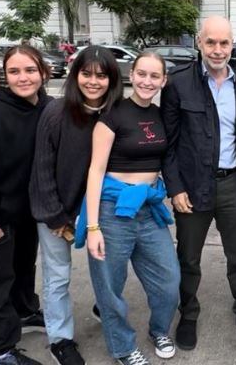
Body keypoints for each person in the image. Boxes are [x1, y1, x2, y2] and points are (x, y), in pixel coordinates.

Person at [160, 15, 236, 352]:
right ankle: (188, 313)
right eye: (211, 42)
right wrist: (175, 188)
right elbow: (169, 144)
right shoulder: (178, 83)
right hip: (191, 185)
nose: (218, 50)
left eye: (224, 43)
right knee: (188, 257)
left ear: (231, 44)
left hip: (232, 183)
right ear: (199, 42)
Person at [81, 52, 180, 365]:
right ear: (131, 74)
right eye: (142, 74)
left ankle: (159, 330)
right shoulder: (113, 115)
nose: (147, 81)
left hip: (149, 207)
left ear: (163, 80)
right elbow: (95, 171)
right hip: (112, 210)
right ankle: (123, 348)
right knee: (109, 286)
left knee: (168, 281)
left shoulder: (162, 114)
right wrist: (94, 226)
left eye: (155, 76)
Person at [29, 45, 123, 365]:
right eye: (86, 74)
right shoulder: (55, 113)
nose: (93, 81)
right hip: (56, 210)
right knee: (57, 277)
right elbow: (41, 169)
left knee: (111, 265)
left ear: (112, 79)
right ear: (75, 75)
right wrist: (55, 216)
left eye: (101, 75)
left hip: (98, 209)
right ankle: (60, 339)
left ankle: (103, 307)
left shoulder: (114, 114)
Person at [0, 45, 52, 365]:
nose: (23, 77)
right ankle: (3, 350)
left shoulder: (48, 107)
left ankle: (25, 311)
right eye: (14, 71)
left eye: (29, 70)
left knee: (24, 269)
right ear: (4, 75)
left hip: (30, 210)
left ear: (43, 72)